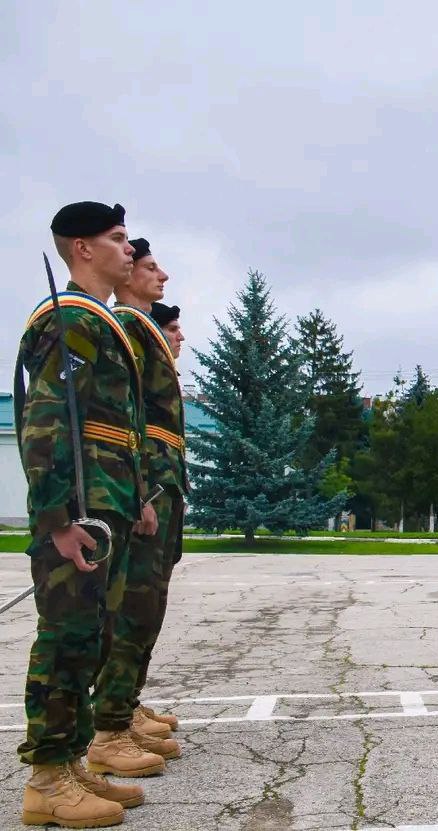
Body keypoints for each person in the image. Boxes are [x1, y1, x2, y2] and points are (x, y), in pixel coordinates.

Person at [17, 202, 164, 828]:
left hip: (105, 503)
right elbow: (46, 419)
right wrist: (56, 517)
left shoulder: (102, 322)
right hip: (78, 509)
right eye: (117, 238)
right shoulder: (69, 319)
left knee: (91, 636)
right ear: (82, 249)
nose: (127, 250)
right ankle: (46, 778)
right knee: (67, 638)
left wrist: (132, 499)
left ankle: (71, 760)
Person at [92, 239, 187, 770]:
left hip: (159, 485)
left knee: (146, 606)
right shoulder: (126, 328)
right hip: (145, 487)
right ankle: (111, 719)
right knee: (131, 608)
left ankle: (122, 709)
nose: (160, 274)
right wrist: (144, 489)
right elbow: (128, 422)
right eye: (149, 266)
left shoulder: (137, 327)